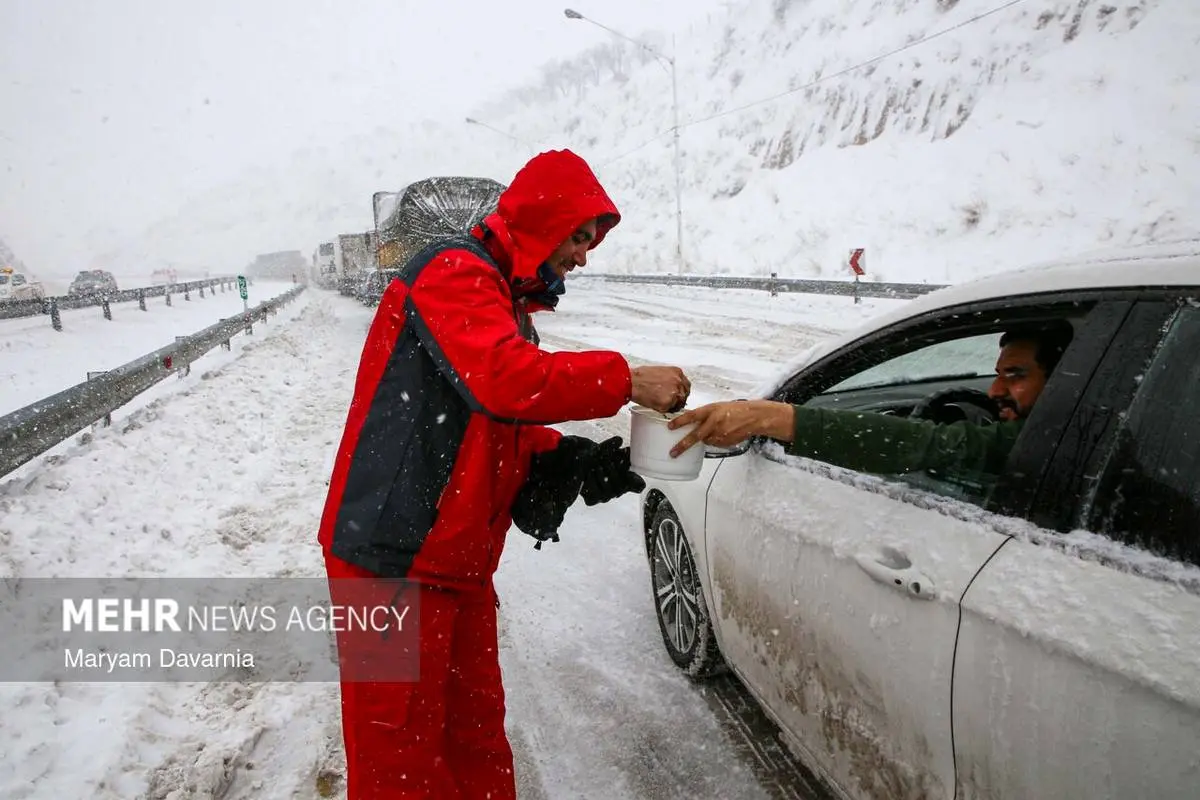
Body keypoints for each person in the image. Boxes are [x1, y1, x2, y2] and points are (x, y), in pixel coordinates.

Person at [317, 149, 691, 799]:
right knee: (399, 763)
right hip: (390, 563)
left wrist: (571, 458)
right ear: (544, 221)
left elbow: (493, 427)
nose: (584, 255)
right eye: (579, 236)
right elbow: (505, 381)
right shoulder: (453, 272)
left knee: (477, 738)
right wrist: (625, 378)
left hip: (456, 565)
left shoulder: (504, 301)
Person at [668, 323, 1073, 485]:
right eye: (997, 375)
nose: (993, 393)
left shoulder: (1037, 444)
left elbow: (924, 442)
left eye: (1015, 376)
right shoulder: (1081, 435)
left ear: (1061, 383)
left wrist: (770, 416)